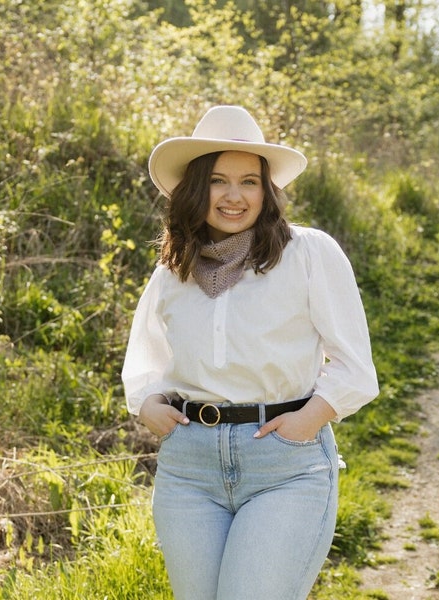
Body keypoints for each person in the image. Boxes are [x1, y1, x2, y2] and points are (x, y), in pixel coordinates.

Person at [121, 105, 379, 600]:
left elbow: (355, 365)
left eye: (249, 181)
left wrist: (309, 419)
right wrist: (148, 403)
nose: (234, 196)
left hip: (283, 464)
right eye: (218, 181)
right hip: (189, 468)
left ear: (267, 190)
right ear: (196, 189)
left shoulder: (307, 253)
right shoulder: (173, 268)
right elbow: (147, 355)